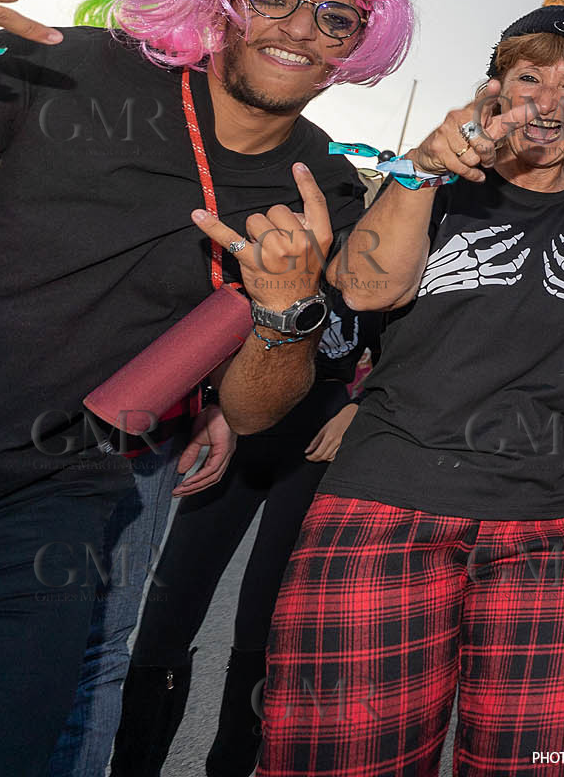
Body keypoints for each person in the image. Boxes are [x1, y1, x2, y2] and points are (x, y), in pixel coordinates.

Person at [0, 0, 414, 776]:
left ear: (355, 50)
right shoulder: (75, 65)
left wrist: (287, 313)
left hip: (55, 493)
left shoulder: (322, 182)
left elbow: (257, 412)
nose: (302, 28)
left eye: (337, 18)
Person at [261, 6, 564, 776]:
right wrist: (419, 170)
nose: (548, 102)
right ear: (495, 90)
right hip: (387, 502)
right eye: (530, 77)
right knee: (340, 759)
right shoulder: (433, 183)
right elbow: (362, 290)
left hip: (554, 526)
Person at [109, 296, 382, 777]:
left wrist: (363, 402)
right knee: (167, 614)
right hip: (240, 421)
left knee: (262, 622)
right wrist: (214, 399)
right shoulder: (276, 235)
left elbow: (409, 349)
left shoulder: (386, 252)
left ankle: (230, 767)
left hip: (320, 436)